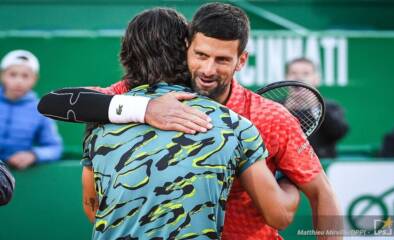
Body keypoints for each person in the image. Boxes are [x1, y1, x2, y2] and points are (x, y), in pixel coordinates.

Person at [38, 3, 342, 239]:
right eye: (200, 55)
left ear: (241, 61)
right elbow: (52, 103)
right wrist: (145, 111)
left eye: (222, 60)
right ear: (186, 49)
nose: (208, 69)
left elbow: (320, 194)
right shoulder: (135, 97)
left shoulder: (268, 116)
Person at [0, 50, 62, 170]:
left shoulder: (41, 109)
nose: (19, 81)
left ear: (34, 79)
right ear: (2, 75)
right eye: (12, 74)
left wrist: (33, 155)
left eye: (25, 76)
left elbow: (54, 148)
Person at [286, 57, 349, 158]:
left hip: (322, 165)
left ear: (316, 79)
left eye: (306, 73)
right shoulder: (276, 106)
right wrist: (285, 110)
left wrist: (315, 106)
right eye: (293, 73)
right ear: (286, 77)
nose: (298, 78)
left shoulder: (330, 107)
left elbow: (339, 132)